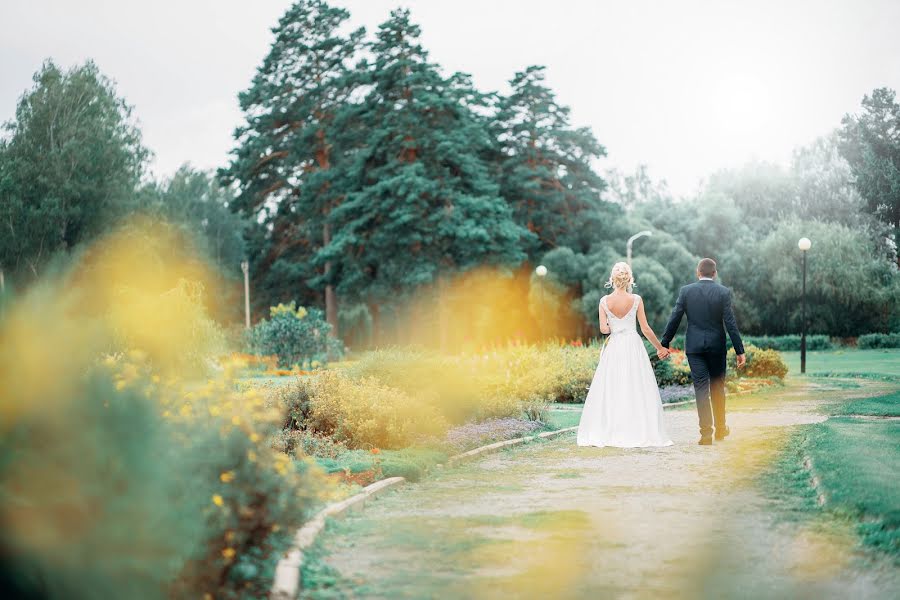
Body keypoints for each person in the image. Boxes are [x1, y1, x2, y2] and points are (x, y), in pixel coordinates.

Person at [577, 262, 673, 448]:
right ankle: (636, 429)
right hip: (632, 345)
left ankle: (612, 429)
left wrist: (613, 326)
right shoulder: (636, 299)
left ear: (612, 279)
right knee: (635, 385)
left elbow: (604, 329)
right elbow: (645, 328)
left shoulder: (604, 302)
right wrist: (660, 348)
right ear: (629, 279)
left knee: (613, 385)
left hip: (615, 346)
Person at [660, 258, 745, 445]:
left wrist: (664, 343)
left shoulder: (686, 291)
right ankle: (721, 430)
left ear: (698, 272)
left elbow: (675, 318)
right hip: (716, 346)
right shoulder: (723, 292)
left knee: (700, 388)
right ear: (714, 273)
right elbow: (730, 322)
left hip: (695, 348)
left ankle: (706, 434)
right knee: (717, 387)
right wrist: (740, 350)